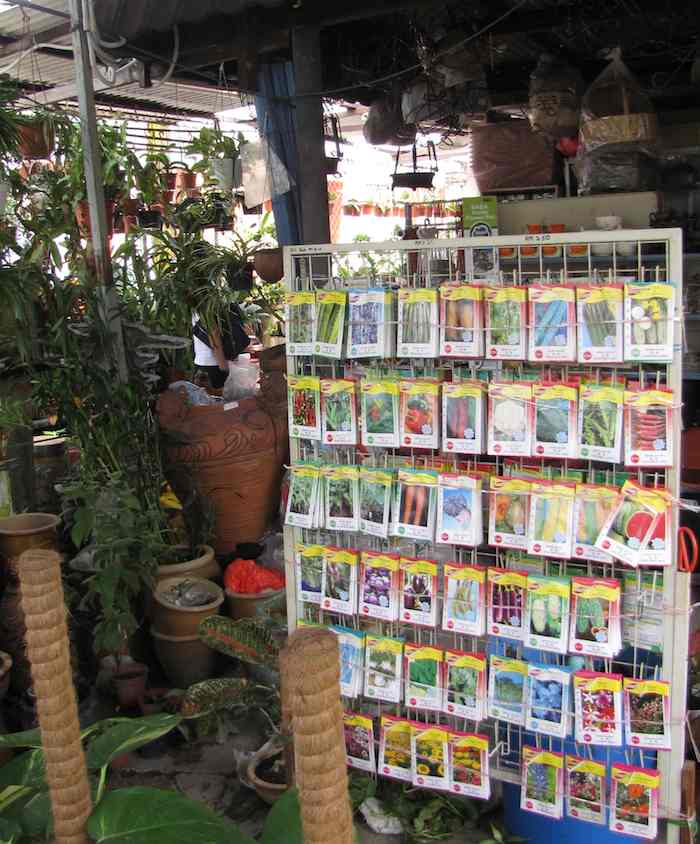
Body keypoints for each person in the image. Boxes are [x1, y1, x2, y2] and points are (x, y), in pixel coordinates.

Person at [192, 302, 250, 389]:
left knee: (208, 399)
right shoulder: (208, 303)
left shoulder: (200, 305)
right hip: (215, 364)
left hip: (208, 363)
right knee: (216, 399)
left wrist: (224, 366)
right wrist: (224, 367)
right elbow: (214, 335)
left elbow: (214, 334)